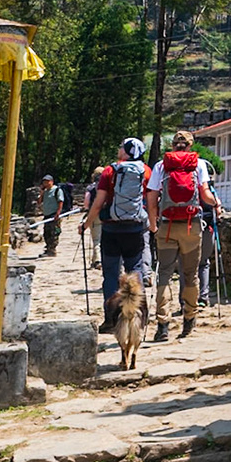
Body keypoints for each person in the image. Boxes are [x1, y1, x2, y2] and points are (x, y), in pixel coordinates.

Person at [146, 130, 219, 341]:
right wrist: (216, 203)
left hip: (167, 226)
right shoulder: (199, 165)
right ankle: (189, 320)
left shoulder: (161, 166)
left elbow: (152, 198)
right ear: (190, 145)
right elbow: (205, 194)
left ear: (173, 145)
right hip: (191, 225)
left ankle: (163, 325)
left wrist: (153, 224)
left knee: (164, 273)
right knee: (190, 274)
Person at [80, 137, 151, 334]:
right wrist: (152, 223)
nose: (119, 149)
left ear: (126, 151)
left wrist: (86, 224)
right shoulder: (146, 171)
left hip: (111, 229)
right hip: (135, 229)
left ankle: (111, 320)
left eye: (121, 147)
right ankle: (139, 316)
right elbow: (151, 200)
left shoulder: (110, 171)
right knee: (135, 270)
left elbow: (98, 203)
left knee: (111, 274)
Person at [38, 175, 66, 256]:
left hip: (54, 214)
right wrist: (41, 193)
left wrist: (58, 213)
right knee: (46, 233)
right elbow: (39, 202)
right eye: (44, 182)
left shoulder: (57, 190)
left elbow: (60, 201)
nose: (46, 183)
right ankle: (48, 248)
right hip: (46, 215)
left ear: (52, 181)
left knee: (54, 233)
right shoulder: (45, 191)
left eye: (47, 181)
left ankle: (52, 250)